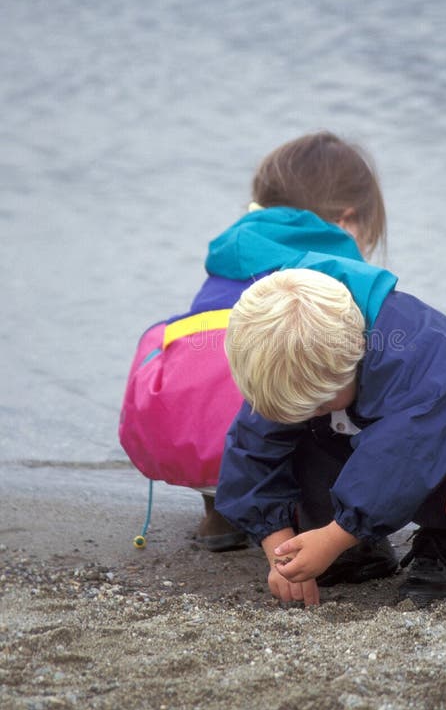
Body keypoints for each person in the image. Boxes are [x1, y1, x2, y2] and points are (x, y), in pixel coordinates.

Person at [119, 131, 397, 580]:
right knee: (330, 372)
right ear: (348, 221)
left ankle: (219, 515)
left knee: (232, 359)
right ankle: (314, 517)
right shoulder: (335, 262)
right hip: (249, 433)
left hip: (178, 431)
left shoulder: (231, 250)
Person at [215, 265, 446, 608]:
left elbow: (399, 459)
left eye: (320, 403)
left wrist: (335, 537)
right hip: (375, 430)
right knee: (291, 426)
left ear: (354, 358)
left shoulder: (417, 361)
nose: (313, 410)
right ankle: (359, 549)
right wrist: (280, 549)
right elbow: (253, 448)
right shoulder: (295, 356)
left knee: (422, 446)